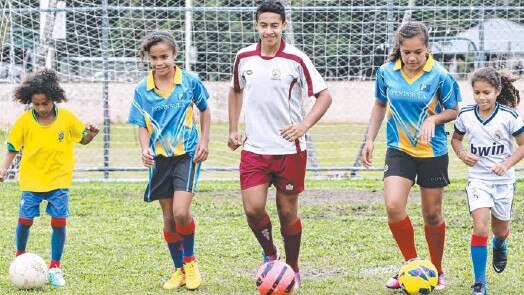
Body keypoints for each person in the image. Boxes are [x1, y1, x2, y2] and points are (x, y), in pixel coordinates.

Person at [228, 0, 332, 290]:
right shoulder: (244, 57)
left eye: (275, 25)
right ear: (256, 26)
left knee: (287, 213)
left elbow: (324, 96)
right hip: (254, 150)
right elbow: (235, 91)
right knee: (253, 208)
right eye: (264, 25)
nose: (269, 31)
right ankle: (272, 255)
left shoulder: (296, 59)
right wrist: (234, 128)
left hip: (289, 151)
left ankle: (294, 267)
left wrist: (304, 125)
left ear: (284, 25)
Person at [361, 21, 462, 290]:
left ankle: (437, 271)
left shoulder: (440, 76)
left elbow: (454, 111)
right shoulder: (385, 72)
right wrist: (369, 139)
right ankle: (412, 266)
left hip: (433, 152)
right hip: (399, 150)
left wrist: (434, 120)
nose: (412, 58)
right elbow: (380, 104)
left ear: (427, 48)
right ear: (399, 50)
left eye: (418, 51)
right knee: (394, 207)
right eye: (407, 52)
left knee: (432, 215)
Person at [0, 68, 99, 287]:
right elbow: (12, 147)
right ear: (30, 102)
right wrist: (3, 169)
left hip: (58, 180)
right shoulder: (24, 121)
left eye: (45, 103)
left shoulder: (66, 118)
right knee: (25, 221)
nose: (41, 108)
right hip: (31, 180)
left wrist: (90, 134)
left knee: (59, 222)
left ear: (54, 99)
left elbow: (82, 139)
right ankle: (20, 255)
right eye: (36, 104)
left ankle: (55, 266)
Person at [128, 31, 210, 291]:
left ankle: (191, 262)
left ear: (174, 55)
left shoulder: (189, 81)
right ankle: (178, 270)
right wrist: (144, 149)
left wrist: (204, 141)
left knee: (181, 212)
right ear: (147, 59)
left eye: (164, 56)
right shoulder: (142, 90)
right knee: (168, 219)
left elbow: (205, 109)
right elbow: (140, 124)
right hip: (160, 160)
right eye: (154, 58)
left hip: (186, 155)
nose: (160, 62)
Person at [451, 67, 524, 295]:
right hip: (478, 181)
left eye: (487, 93)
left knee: (500, 230)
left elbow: (522, 145)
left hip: (503, 182)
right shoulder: (466, 115)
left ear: (497, 91)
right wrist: (463, 154)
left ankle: (500, 244)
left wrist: (506, 164)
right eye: (477, 92)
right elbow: (456, 140)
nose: (481, 97)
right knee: (480, 228)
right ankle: (480, 282)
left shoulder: (508, 116)